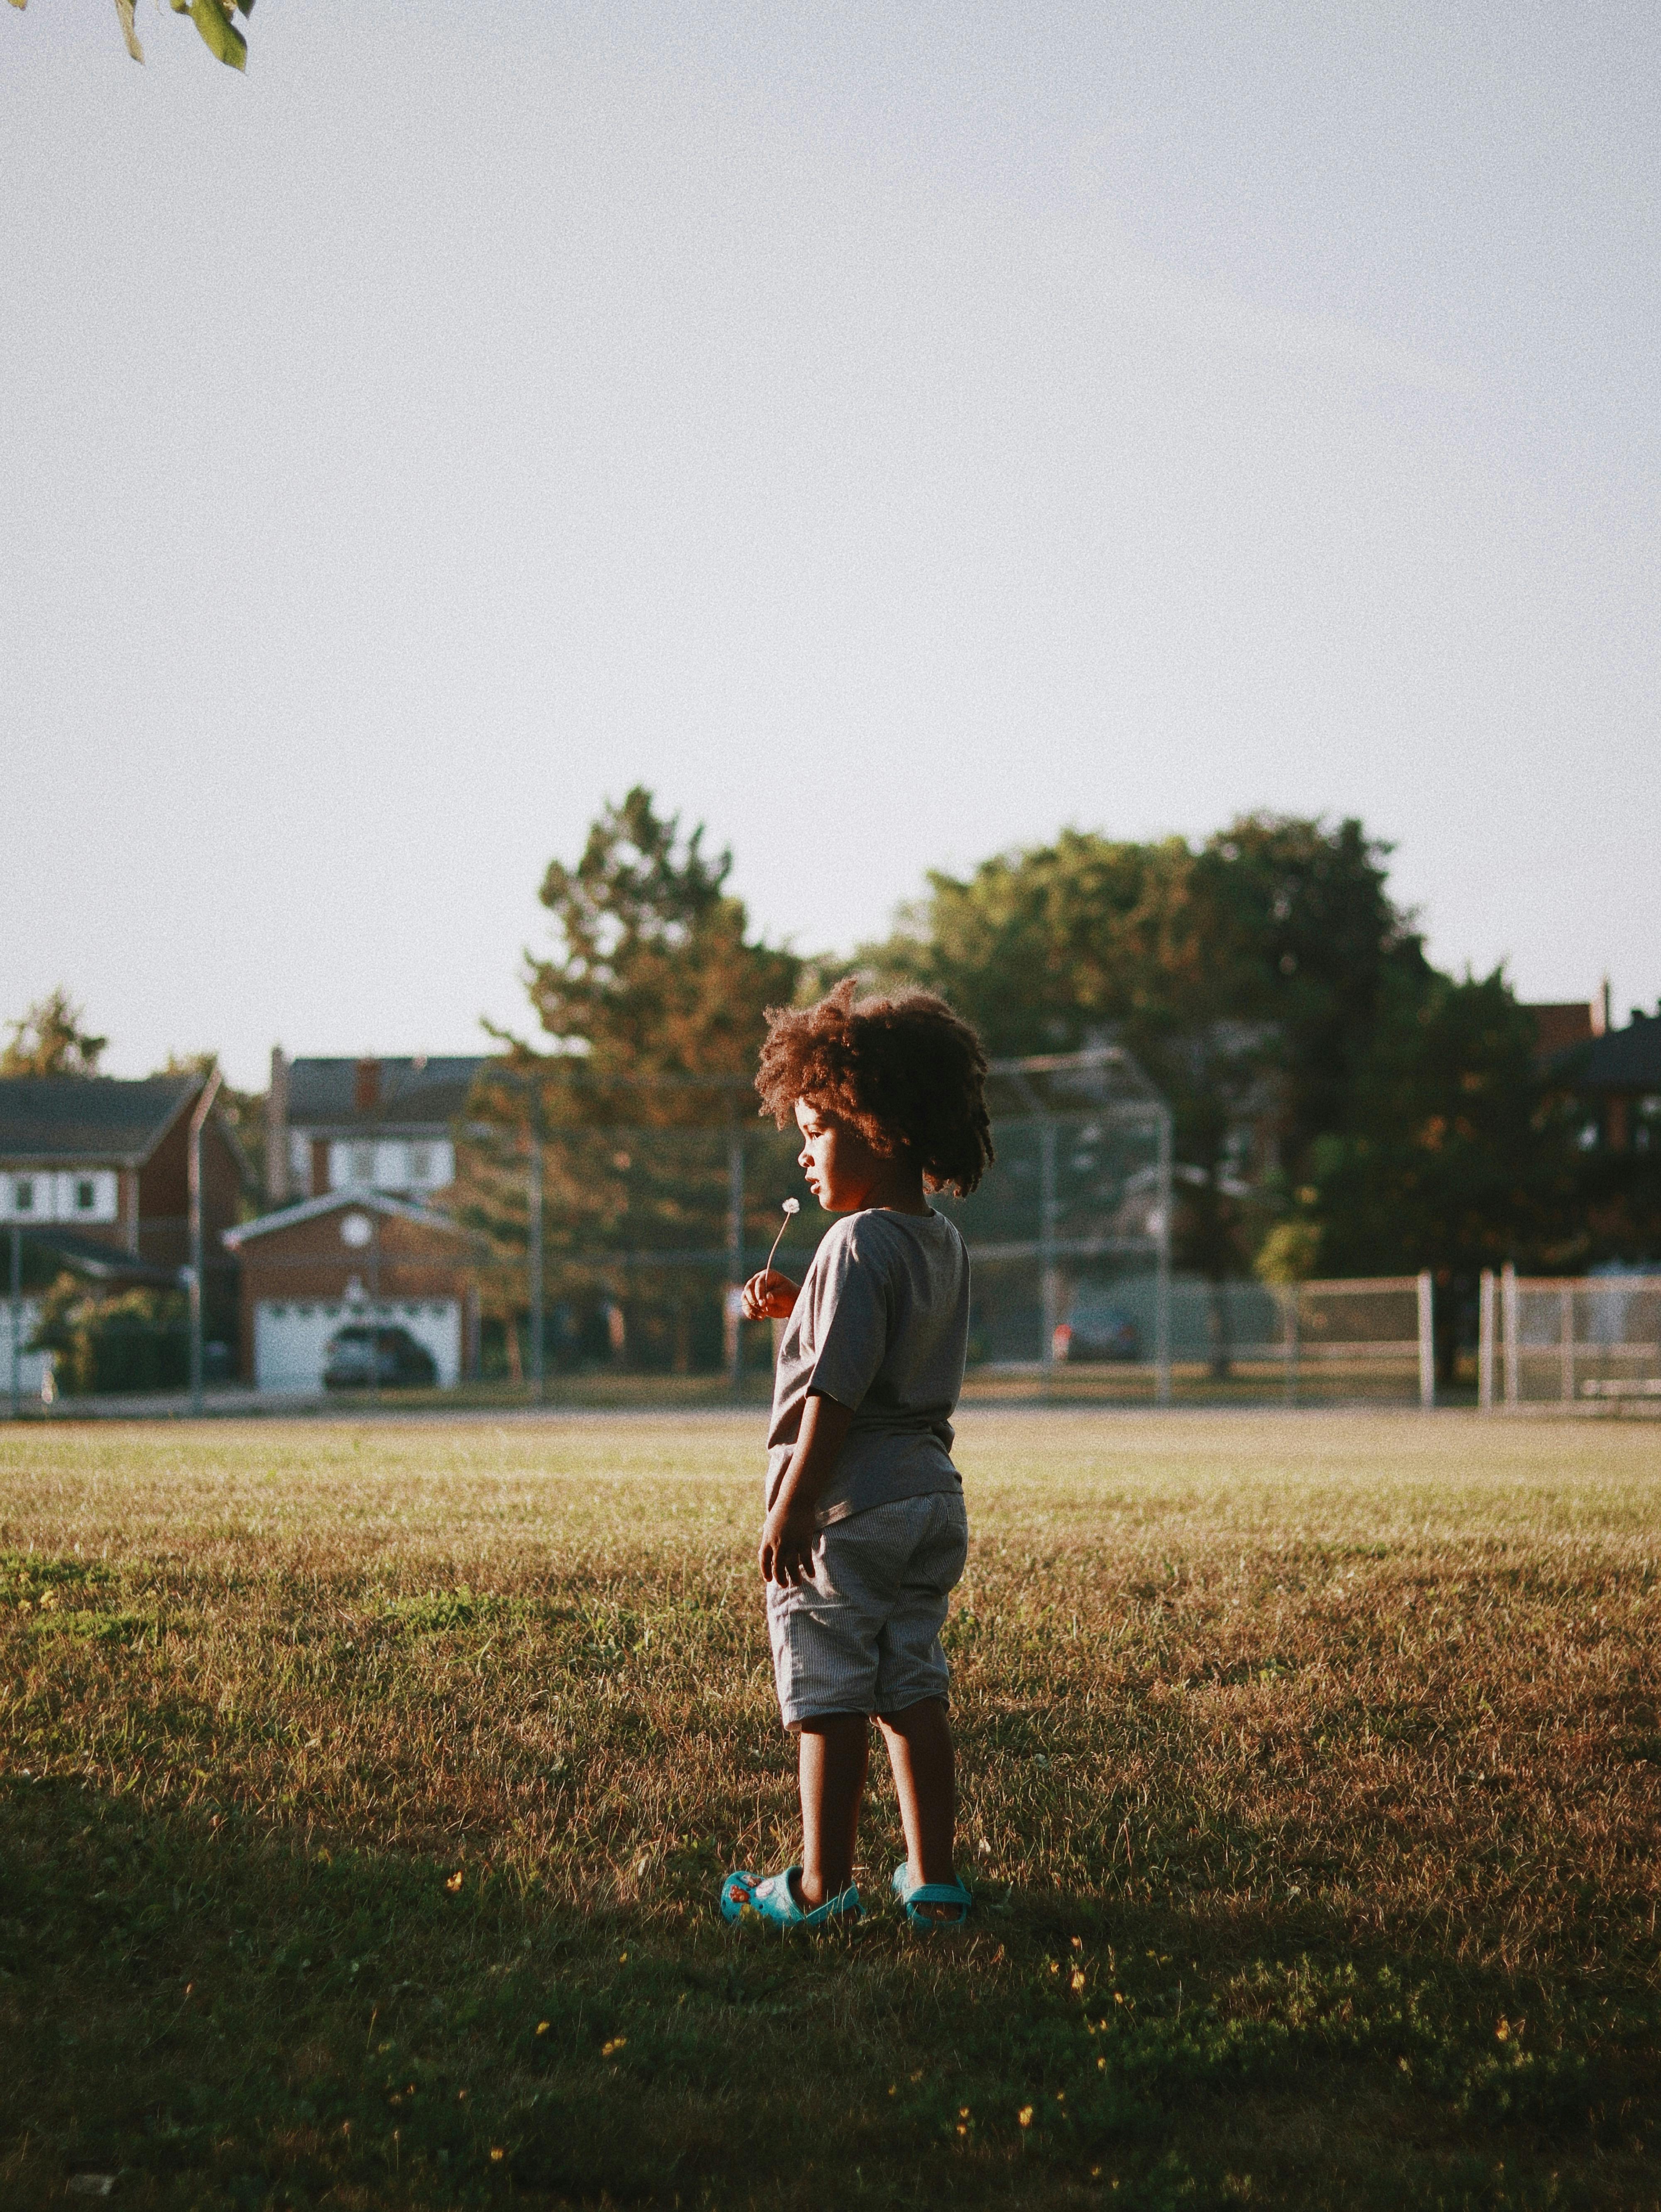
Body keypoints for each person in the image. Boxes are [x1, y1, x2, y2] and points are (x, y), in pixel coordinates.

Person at [719, 980, 994, 1931]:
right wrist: (800, 1309)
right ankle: (933, 1879)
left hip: (846, 1510)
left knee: (829, 1694)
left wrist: (794, 1505)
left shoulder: (850, 1243)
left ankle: (817, 1886)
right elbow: (882, 1357)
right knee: (910, 1686)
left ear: (881, 1127)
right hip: (927, 1501)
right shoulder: (936, 1241)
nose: (802, 1149)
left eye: (817, 1126)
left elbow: (835, 1395)